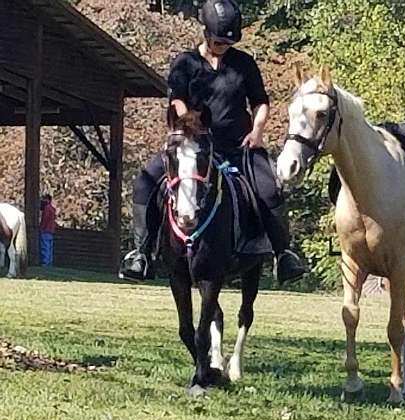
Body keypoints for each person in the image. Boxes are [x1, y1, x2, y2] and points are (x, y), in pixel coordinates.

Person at [119, 0, 305, 284]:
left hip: (237, 145)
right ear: (205, 33)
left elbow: (260, 103)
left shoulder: (244, 63)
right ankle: (141, 254)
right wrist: (189, 124)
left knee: (269, 190)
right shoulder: (185, 63)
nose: (223, 46)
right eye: (218, 41)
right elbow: (177, 99)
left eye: (228, 42)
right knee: (145, 182)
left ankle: (283, 255)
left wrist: (257, 131)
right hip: (192, 144)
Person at [39, 193, 56, 267]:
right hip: (51, 230)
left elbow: (45, 219)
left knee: (45, 247)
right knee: (49, 247)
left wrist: (41, 228)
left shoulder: (47, 209)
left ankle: (45, 262)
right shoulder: (52, 209)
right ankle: (49, 262)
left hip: (45, 230)